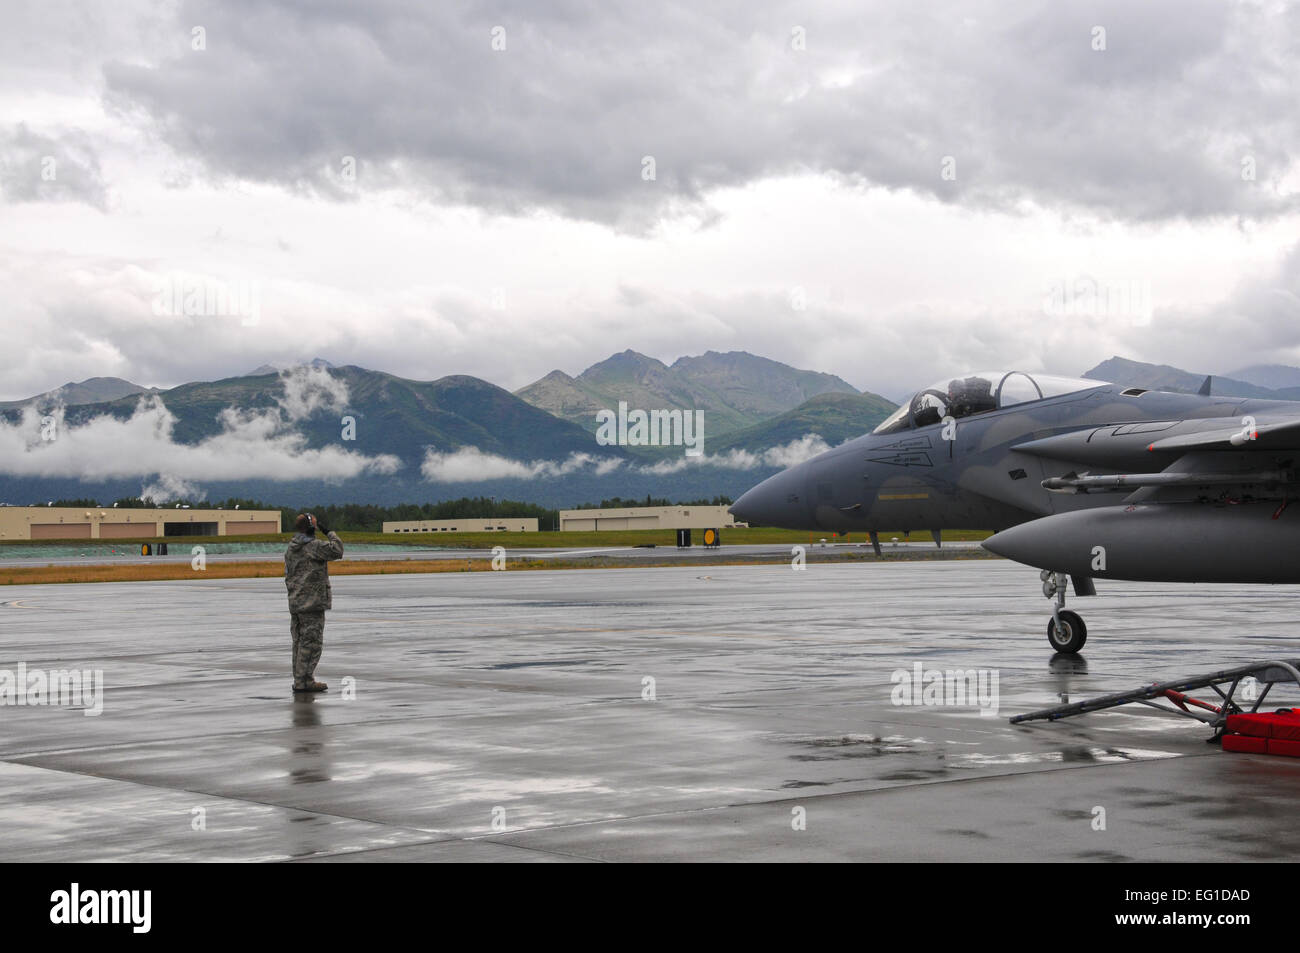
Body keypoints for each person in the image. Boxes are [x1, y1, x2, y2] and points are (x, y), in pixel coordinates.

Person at [284, 513, 343, 693]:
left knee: (299, 643)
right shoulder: (313, 547)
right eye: (315, 526)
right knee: (312, 643)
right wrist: (329, 532)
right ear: (311, 528)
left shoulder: (291, 548)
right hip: (311, 603)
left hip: (296, 602)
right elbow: (337, 550)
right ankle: (304, 681)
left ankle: (300, 678)